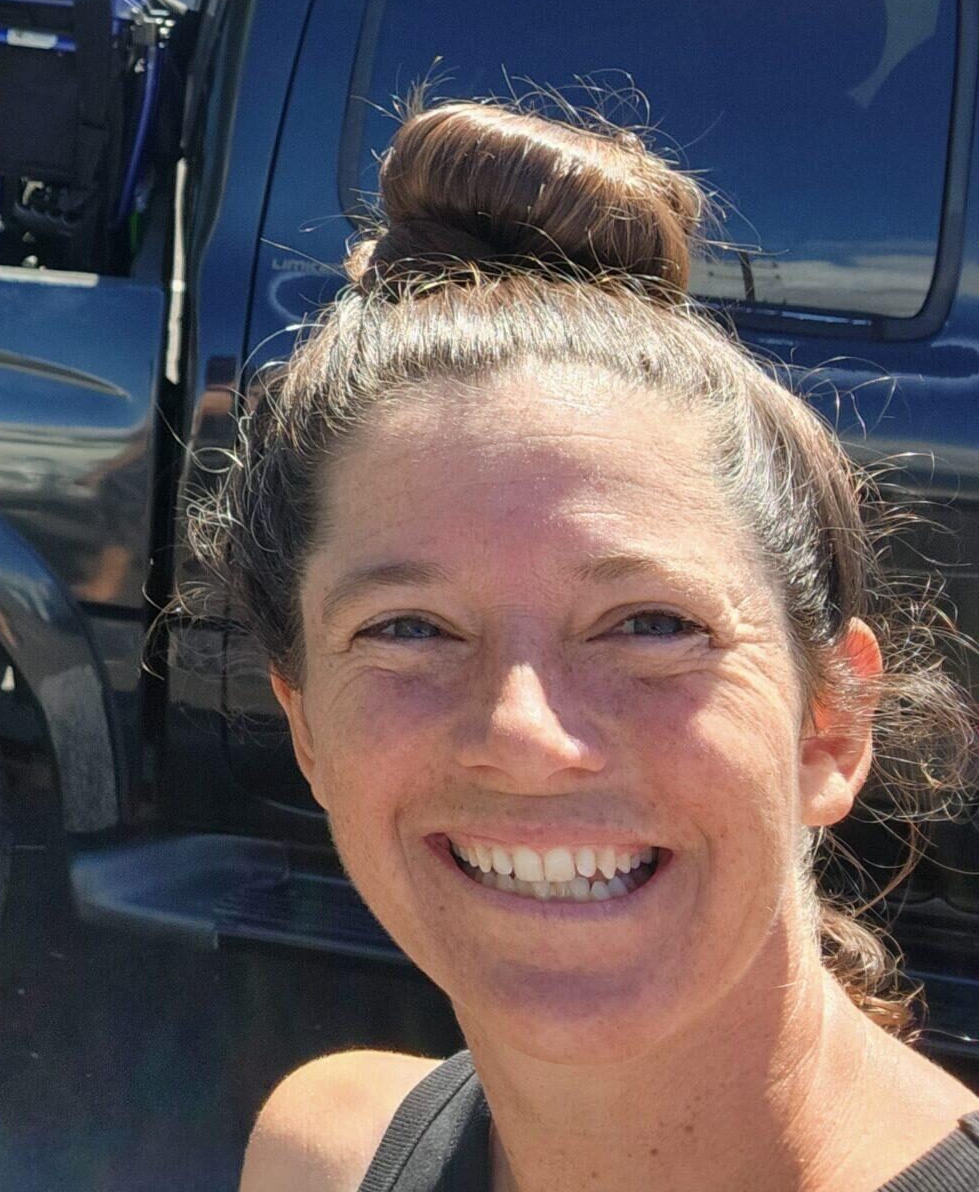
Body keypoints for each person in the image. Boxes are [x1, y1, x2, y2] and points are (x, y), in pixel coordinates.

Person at [205, 101, 979, 1191]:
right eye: (408, 630)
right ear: (308, 730)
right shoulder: (320, 1155)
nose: (523, 734)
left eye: (651, 625)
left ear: (830, 723)